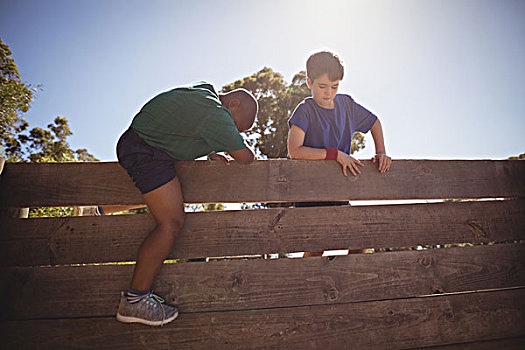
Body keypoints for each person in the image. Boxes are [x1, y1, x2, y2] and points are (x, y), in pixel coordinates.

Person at [115, 81, 257, 326]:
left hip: (145, 145)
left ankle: (136, 297)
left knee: (170, 218)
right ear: (233, 104)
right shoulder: (215, 111)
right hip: (145, 151)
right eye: (236, 126)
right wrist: (229, 140)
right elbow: (246, 158)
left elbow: (185, 127)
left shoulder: (203, 92)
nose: (232, 132)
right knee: (171, 223)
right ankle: (135, 301)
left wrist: (211, 148)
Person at [287, 50, 392, 257]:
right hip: (311, 193)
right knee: (316, 248)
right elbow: (294, 151)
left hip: (339, 188)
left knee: (361, 240)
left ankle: (352, 283)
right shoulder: (305, 110)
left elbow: (374, 122)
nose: (328, 93)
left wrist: (381, 152)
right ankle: (306, 286)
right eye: (322, 86)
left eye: (334, 87)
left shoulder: (347, 105)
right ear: (309, 82)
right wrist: (335, 154)